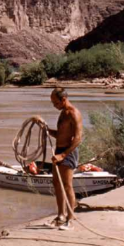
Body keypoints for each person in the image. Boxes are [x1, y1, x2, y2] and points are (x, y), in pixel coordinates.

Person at [46, 87, 82, 230]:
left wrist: (63, 154)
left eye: (55, 103)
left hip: (68, 152)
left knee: (67, 186)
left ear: (63, 99)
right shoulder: (63, 113)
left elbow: (78, 138)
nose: (54, 106)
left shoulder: (74, 113)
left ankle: (70, 219)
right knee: (57, 183)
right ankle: (60, 216)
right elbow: (61, 134)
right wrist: (47, 130)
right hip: (59, 151)